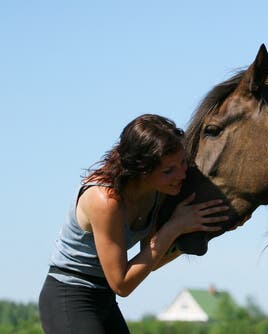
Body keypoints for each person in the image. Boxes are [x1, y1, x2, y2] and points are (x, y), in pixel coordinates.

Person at [38, 114, 230, 333]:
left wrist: (206, 228)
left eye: (183, 162)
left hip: (104, 299)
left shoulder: (159, 193)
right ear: (141, 170)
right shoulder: (105, 201)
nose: (181, 174)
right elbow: (122, 284)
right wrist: (174, 227)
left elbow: (150, 261)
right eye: (168, 171)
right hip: (68, 297)